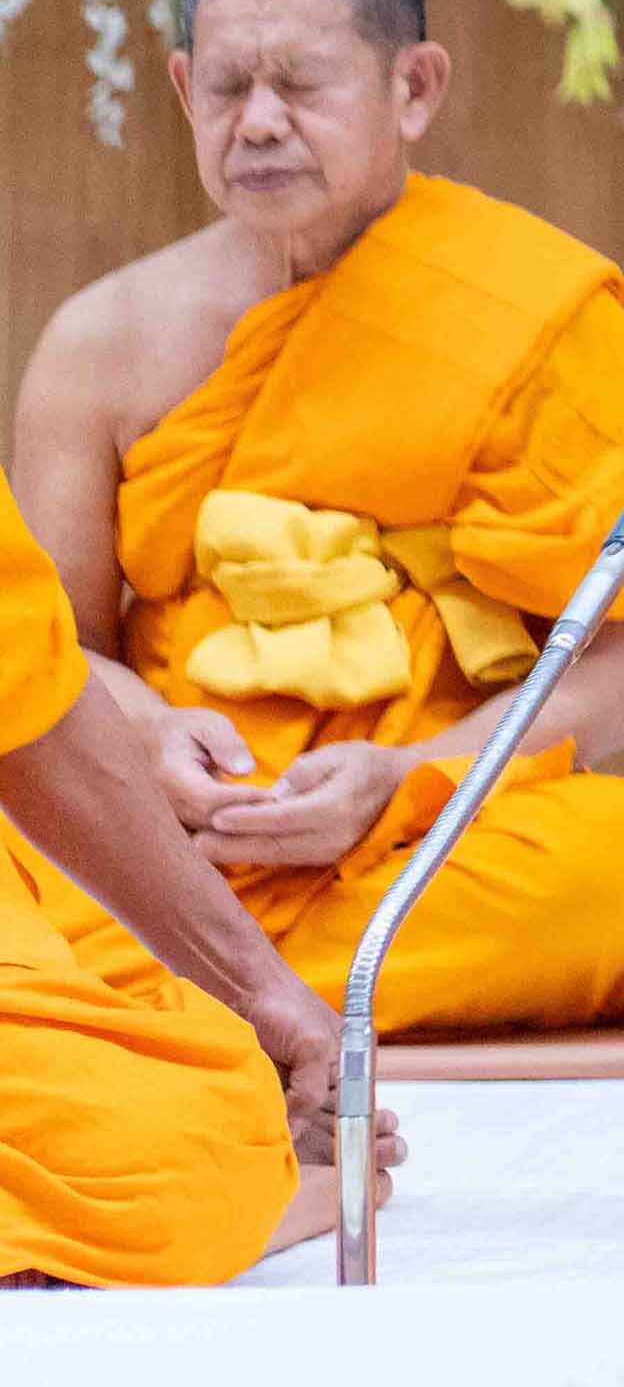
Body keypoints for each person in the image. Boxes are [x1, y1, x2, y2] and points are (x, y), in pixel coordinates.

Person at [4, 0, 624, 1044]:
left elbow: (615, 671)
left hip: (428, 838)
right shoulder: (100, 341)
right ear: (180, 91)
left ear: (413, 86)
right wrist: (153, 738)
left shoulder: (526, 308)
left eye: (301, 85)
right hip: (172, 840)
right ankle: (230, 979)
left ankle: (195, 1000)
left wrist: (408, 776)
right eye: (226, 88)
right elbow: (52, 654)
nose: (259, 123)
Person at [0, 467, 363, 1280]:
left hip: (194, 819)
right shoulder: (108, 340)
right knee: (176, 1152)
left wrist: (253, 983)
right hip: (173, 792)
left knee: (201, 1055)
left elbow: (26, 685)